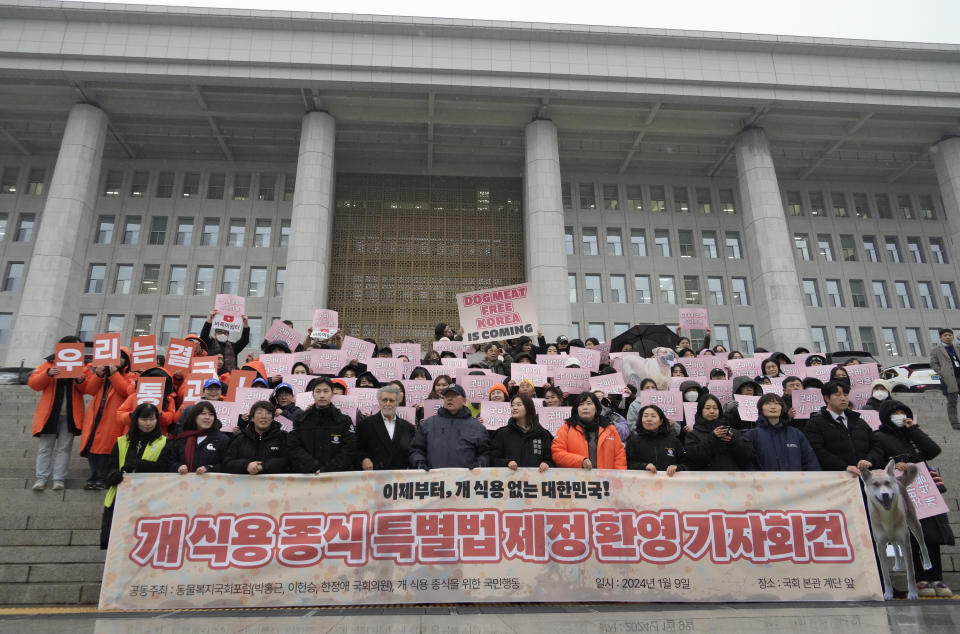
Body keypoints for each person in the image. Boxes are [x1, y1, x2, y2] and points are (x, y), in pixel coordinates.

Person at [874, 399, 954, 597]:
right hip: (903, 489)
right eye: (895, 412)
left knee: (933, 535)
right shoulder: (879, 436)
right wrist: (895, 463)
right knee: (913, 534)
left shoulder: (912, 434)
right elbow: (878, 460)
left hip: (925, 488)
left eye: (902, 411)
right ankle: (920, 578)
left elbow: (933, 451)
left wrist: (914, 429)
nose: (899, 415)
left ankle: (936, 578)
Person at [100, 403, 170, 549]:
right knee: (117, 544)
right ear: (136, 420)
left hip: (148, 499)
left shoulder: (164, 442)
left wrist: (138, 464)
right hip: (120, 498)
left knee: (142, 545)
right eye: (144, 419)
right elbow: (111, 466)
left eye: (152, 419)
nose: (148, 423)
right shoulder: (121, 441)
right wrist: (113, 475)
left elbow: (163, 468)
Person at [28, 336, 88, 491]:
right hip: (50, 415)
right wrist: (47, 374)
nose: (77, 349)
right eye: (74, 346)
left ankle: (58, 478)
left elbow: (88, 389)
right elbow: (34, 384)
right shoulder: (48, 364)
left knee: (64, 448)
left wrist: (81, 380)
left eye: (79, 346)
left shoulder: (81, 367)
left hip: (69, 416)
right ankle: (41, 478)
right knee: (45, 447)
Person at [79, 351, 135, 490]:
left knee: (106, 449)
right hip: (96, 416)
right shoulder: (103, 375)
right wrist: (98, 375)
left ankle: (102, 478)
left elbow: (125, 391)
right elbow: (90, 390)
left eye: (122, 357)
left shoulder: (130, 376)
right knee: (92, 447)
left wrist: (114, 374)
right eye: (117, 356)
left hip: (112, 419)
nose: (119, 360)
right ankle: (94, 477)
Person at [802, 381, 882, 474]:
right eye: (838, 395)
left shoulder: (859, 422)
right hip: (837, 478)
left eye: (845, 395)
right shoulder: (815, 423)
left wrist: (869, 460)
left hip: (864, 476)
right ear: (827, 398)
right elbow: (817, 451)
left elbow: (877, 446)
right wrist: (844, 466)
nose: (843, 398)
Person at [409, 384, 490, 469]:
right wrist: (420, 464)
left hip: (465, 480)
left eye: (454, 395)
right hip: (434, 480)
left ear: (464, 400)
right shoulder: (428, 424)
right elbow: (416, 450)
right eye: (447, 396)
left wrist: (479, 465)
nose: (449, 398)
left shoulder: (477, 427)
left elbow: (484, 453)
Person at [289, 378, 357, 473]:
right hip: (307, 476)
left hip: (335, 478)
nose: (322, 395)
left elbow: (349, 448)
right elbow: (293, 447)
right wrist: (312, 466)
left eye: (326, 391)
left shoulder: (344, 420)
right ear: (313, 394)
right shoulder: (301, 419)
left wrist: (328, 470)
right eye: (318, 391)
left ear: (332, 394)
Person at [551, 392, 626, 470]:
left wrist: (619, 479)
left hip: (605, 481)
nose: (585, 407)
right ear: (576, 409)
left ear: (596, 407)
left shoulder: (610, 429)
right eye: (581, 404)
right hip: (577, 481)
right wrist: (580, 461)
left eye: (589, 403)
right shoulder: (566, 429)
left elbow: (619, 457)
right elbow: (557, 454)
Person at [745, 394, 820, 471]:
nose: (773, 407)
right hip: (764, 482)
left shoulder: (796, 434)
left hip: (795, 482)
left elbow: (810, 461)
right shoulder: (752, 435)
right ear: (761, 408)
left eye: (777, 404)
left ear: (782, 408)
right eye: (767, 403)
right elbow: (748, 464)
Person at [684, 394, 754, 471]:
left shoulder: (732, 432)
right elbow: (694, 459)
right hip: (706, 480)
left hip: (731, 479)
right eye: (707, 408)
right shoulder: (693, 435)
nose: (712, 411)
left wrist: (733, 441)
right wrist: (713, 438)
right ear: (701, 411)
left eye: (715, 408)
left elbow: (747, 456)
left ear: (720, 411)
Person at [356, 384, 416, 470]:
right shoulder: (365, 424)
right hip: (373, 478)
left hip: (399, 479)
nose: (388, 404)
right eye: (384, 400)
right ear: (379, 401)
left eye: (391, 400)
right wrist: (364, 459)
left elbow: (412, 452)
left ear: (397, 402)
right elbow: (357, 448)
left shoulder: (408, 428)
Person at [222, 401, 290, 475]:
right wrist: (246, 465)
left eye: (268, 413)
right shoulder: (240, 438)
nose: (264, 416)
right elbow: (227, 463)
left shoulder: (282, 437)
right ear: (252, 418)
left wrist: (263, 466)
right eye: (259, 413)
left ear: (272, 418)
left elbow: (288, 461)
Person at [490, 395, 553, 471]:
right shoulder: (502, 433)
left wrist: (547, 463)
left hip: (536, 481)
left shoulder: (543, 434)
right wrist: (507, 463)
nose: (514, 408)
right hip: (509, 481)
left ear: (528, 408)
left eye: (519, 405)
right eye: (512, 405)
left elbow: (552, 459)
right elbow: (492, 458)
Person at [169, 400, 231, 474]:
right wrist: (178, 466)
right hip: (184, 484)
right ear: (194, 416)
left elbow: (227, 464)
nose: (207, 417)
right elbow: (171, 462)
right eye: (203, 414)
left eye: (211, 414)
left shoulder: (222, 439)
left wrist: (210, 468)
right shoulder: (182, 438)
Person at [624, 404, 686, 476]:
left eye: (653, 416)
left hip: (669, 484)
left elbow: (686, 464)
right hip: (642, 484)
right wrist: (643, 466)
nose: (649, 419)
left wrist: (677, 467)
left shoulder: (673, 441)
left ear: (661, 421)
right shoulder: (633, 441)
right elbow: (627, 463)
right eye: (645, 416)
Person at [929, 328, 960, 430]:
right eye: (945, 335)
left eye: (950, 335)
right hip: (949, 379)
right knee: (952, 401)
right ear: (941, 338)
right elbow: (933, 363)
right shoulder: (936, 350)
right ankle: (955, 423)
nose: (948, 337)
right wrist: (942, 373)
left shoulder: (957, 347)